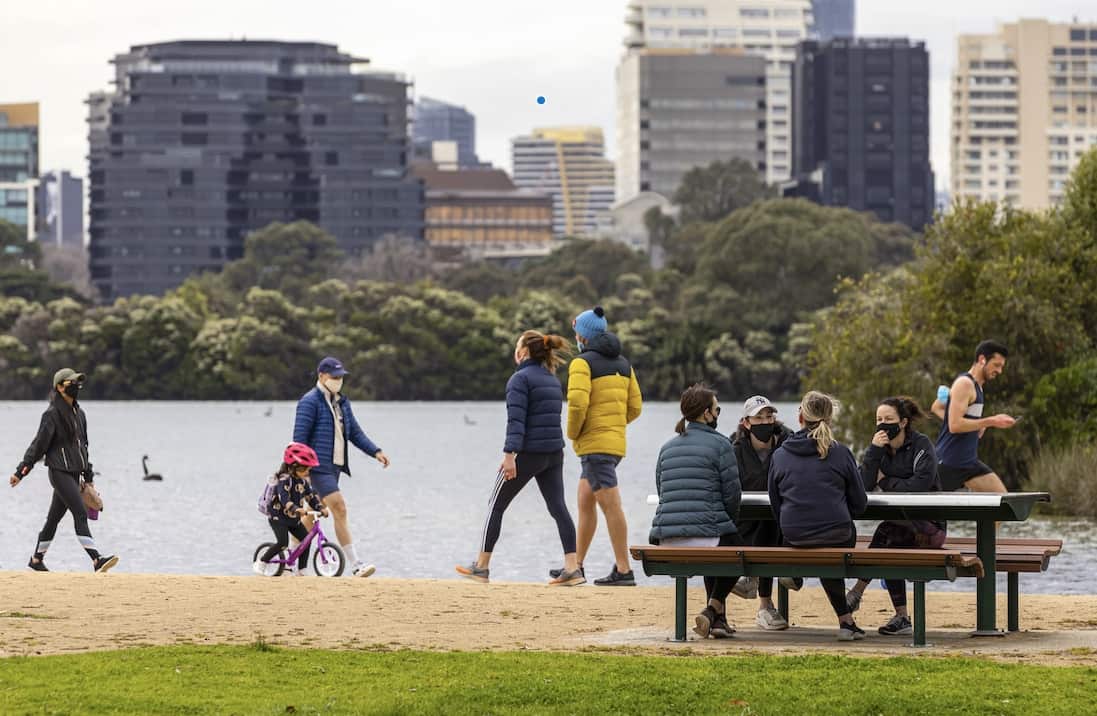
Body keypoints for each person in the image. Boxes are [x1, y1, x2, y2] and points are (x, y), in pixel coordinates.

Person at [456, 331, 584, 586]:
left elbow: (516, 421)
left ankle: (481, 566)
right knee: (558, 507)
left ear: (523, 351)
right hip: (553, 454)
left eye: (516, 347)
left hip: (527, 453)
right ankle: (572, 568)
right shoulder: (551, 379)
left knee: (496, 505)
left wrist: (509, 456)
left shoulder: (519, 379)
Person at [768, 391, 868, 641]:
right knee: (831, 540)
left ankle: (845, 619)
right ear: (830, 419)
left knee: (820, 539)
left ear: (800, 417)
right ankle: (846, 622)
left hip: (795, 536)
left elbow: (775, 504)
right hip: (837, 535)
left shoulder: (779, 455)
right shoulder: (841, 452)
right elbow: (859, 504)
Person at [846, 397, 945, 636]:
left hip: (930, 528)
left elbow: (919, 486)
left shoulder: (921, 446)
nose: (882, 424)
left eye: (888, 420)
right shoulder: (879, 450)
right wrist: (873, 452)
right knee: (889, 536)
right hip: (898, 529)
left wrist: (885, 480)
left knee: (886, 534)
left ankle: (857, 592)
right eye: (879, 420)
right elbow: (862, 486)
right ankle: (901, 617)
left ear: (902, 422)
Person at [650, 385, 741, 638]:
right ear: (706, 414)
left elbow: (661, 489)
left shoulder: (667, 448)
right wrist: (728, 521)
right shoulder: (722, 444)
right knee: (737, 548)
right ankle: (712, 610)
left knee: (716, 542)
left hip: (666, 540)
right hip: (707, 538)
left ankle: (718, 621)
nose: (718, 413)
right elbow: (733, 495)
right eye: (717, 409)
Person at [9, 369, 118, 573]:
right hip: (59, 472)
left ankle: (36, 559)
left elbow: (83, 447)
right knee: (80, 513)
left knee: (53, 520)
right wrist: (20, 472)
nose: (76, 386)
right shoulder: (51, 415)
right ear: (59, 387)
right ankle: (96, 560)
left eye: (78, 382)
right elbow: (38, 447)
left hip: (75, 474)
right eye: (71, 382)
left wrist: (89, 477)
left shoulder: (80, 414)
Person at [566, 306, 643, 586]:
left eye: (576, 333)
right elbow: (636, 407)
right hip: (613, 445)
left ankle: (624, 570)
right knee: (586, 500)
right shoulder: (624, 364)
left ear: (583, 336)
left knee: (611, 505)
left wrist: (574, 434)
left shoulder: (581, 364)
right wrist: (613, 425)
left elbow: (577, 405)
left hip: (594, 445)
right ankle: (576, 566)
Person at [293, 356, 390, 578]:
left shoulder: (341, 403)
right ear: (321, 376)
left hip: (334, 467)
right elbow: (299, 440)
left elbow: (355, 433)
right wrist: (301, 472)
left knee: (309, 516)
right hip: (316, 468)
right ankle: (356, 564)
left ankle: (295, 563)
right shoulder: (309, 402)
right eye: (334, 376)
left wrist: (376, 451)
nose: (338, 380)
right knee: (339, 507)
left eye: (340, 377)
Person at [730, 395, 795, 631]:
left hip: (781, 523)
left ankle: (758, 590)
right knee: (762, 526)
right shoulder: (733, 449)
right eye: (759, 417)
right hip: (745, 524)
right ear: (746, 423)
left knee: (771, 525)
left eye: (769, 416)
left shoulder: (789, 444)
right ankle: (764, 603)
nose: (765, 421)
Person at [930, 340, 1017, 492]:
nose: (1000, 371)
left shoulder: (978, 387)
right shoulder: (965, 384)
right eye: (996, 365)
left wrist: (977, 425)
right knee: (925, 515)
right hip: (949, 463)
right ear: (982, 360)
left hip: (968, 463)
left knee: (1003, 504)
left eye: (1002, 366)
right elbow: (955, 425)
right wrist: (991, 421)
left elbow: (937, 407)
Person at [255, 442, 330, 575]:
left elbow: (310, 496)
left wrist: (320, 508)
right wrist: (295, 508)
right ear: (294, 467)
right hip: (278, 518)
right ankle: (262, 561)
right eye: (305, 469)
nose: (308, 472)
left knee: (306, 541)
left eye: (308, 469)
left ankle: (302, 569)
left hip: (293, 519)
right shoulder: (284, 480)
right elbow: (284, 499)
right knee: (282, 543)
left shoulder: (303, 481)